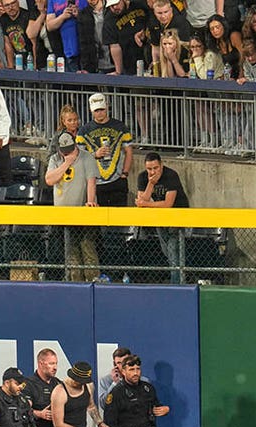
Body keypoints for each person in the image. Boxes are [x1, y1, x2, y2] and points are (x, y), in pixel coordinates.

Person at [44, 130, 99, 281]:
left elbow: (91, 182)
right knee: (71, 252)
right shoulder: (56, 159)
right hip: (64, 215)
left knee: (88, 249)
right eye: (64, 151)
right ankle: (75, 283)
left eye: (70, 151)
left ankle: (93, 282)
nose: (67, 154)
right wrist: (67, 162)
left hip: (83, 212)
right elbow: (49, 180)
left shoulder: (86, 157)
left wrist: (90, 201)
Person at [134, 151, 188, 284]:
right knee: (166, 251)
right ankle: (177, 278)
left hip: (177, 216)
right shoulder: (143, 177)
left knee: (173, 250)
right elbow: (142, 201)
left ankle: (177, 283)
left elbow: (168, 204)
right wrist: (151, 184)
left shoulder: (171, 175)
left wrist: (146, 204)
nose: (152, 172)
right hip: (159, 217)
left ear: (161, 165)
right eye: (149, 169)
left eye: (155, 168)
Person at [77, 92, 132, 206]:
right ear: (91, 111)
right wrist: (95, 154)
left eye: (102, 109)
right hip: (96, 182)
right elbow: (78, 157)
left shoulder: (120, 126)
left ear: (107, 107)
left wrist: (125, 173)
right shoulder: (83, 131)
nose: (100, 113)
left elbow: (129, 151)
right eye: (97, 111)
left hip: (117, 180)